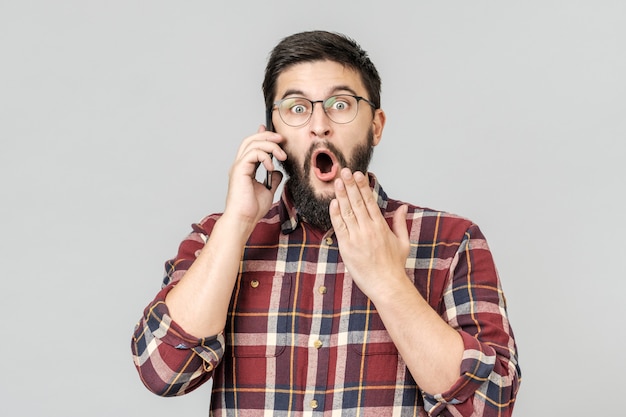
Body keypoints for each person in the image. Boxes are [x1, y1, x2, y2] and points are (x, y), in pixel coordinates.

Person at [131, 30, 521, 416]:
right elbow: (163, 372)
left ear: (376, 126)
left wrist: (388, 282)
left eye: (340, 104)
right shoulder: (220, 238)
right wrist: (237, 223)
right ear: (271, 132)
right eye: (297, 108)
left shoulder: (452, 241)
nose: (319, 125)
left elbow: (490, 406)